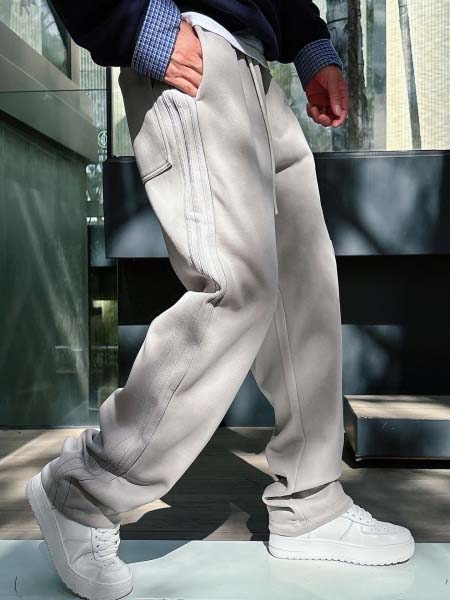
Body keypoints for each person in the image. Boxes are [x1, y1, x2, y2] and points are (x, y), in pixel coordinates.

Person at [26, 1, 415, 599]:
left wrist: (309, 44)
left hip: (257, 68)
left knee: (305, 287)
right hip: (192, 45)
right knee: (237, 286)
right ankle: (83, 489)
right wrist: (136, 25)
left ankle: (311, 504)